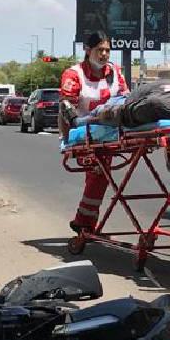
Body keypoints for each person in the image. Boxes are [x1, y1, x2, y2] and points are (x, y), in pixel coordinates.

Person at [60, 30, 129, 231]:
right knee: (98, 173)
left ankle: (85, 222)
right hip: (83, 134)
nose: (105, 54)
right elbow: (66, 106)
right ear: (87, 50)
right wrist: (71, 135)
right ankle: (84, 222)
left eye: (107, 50)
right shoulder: (74, 74)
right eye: (100, 50)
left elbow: (125, 98)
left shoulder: (115, 73)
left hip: (111, 132)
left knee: (100, 175)